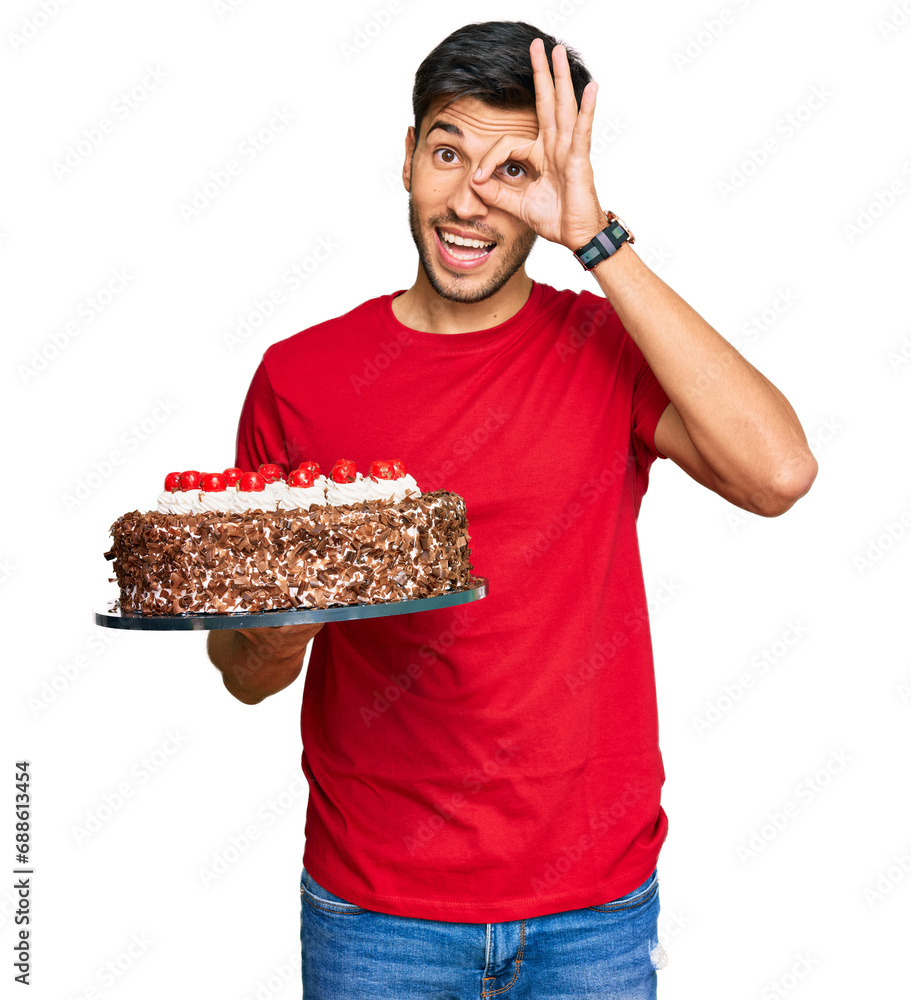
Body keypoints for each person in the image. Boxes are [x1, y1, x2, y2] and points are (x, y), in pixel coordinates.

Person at [208, 20, 817, 998]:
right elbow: (242, 674)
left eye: (515, 169)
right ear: (407, 157)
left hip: (593, 911)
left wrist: (595, 237)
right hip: (377, 914)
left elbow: (777, 472)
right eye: (448, 153)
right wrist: (279, 635)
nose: (469, 200)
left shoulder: (605, 346)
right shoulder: (300, 377)